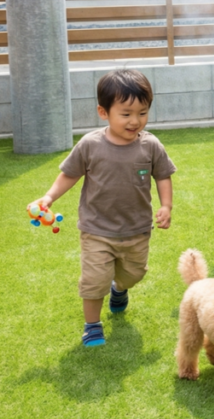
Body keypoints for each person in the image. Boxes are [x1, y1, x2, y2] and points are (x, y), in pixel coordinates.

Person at [27, 69, 176, 347]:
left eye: (142, 113)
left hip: (137, 229)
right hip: (97, 229)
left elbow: (163, 175)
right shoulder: (91, 145)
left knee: (134, 273)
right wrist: (48, 198)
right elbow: (70, 174)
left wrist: (166, 205)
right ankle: (92, 325)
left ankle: (119, 289)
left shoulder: (151, 145)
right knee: (94, 280)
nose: (135, 121)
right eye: (126, 114)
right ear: (103, 112)